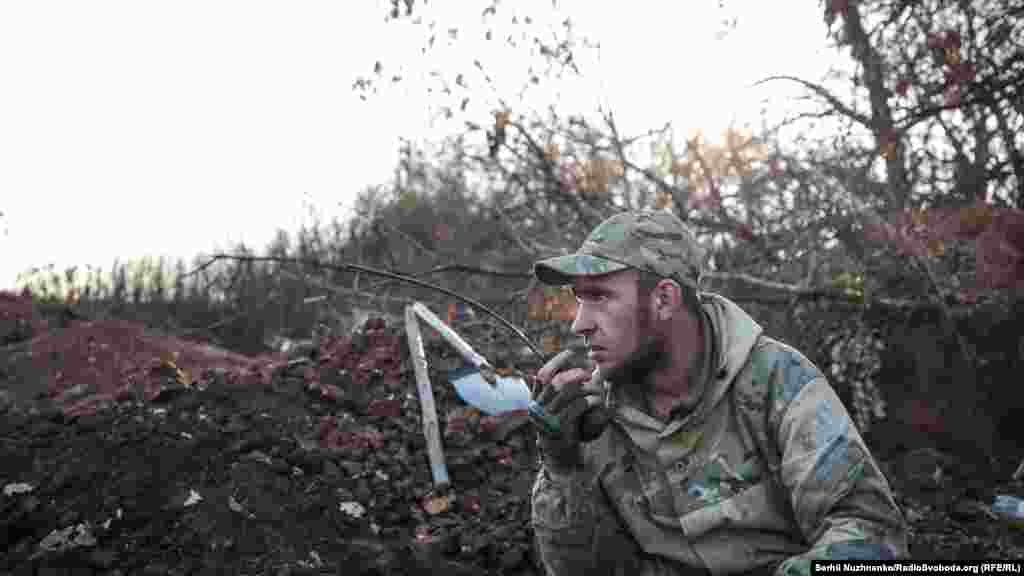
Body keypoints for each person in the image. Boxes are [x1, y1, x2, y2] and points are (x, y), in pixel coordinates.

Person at [528, 210, 908, 576]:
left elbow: (869, 533)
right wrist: (562, 466)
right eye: (579, 299)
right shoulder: (591, 415)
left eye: (599, 297)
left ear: (664, 299)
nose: (579, 324)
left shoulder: (777, 380)